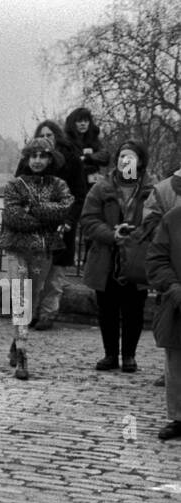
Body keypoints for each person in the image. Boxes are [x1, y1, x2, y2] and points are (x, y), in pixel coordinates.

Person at [0, 139, 73, 381]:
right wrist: (46, 217)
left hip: (43, 251)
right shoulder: (15, 185)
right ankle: (22, 354)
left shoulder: (59, 184)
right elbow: (12, 217)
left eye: (43, 156)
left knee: (34, 298)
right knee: (21, 297)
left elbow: (64, 208)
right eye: (33, 156)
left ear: (50, 159)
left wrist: (32, 209)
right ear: (27, 158)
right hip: (17, 249)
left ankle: (17, 340)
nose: (37, 161)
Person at [82, 141, 151, 373]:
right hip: (107, 256)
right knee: (107, 308)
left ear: (140, 161)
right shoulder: (102, 188)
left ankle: (129, 355)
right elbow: (89, 220)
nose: (125, 161)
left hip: (137, 256)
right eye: (122, 156)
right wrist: (112, 234)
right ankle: (110, 354)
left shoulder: (150, 189)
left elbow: (157, 220)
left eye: (130, 157)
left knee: (134, 309)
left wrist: (135, 234)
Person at [15, 120, 85, 330]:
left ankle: (47, 312)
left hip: (61, 226)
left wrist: (68, 221)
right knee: (34, 272)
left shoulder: (71, 162)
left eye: (49, 135)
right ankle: (33, 311)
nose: (46, 138)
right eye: (42, 135)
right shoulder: (28, 163)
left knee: (54, 275)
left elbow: (78, 195)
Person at [146, 204, 181, 441]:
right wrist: (173, 288)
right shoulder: (173, 219)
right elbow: (157, 259)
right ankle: (179, 417)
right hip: (178, 303)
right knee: (177, 364)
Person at [65, 107, 109, 183]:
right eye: (79, 121)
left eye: (86, 121)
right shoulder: (66, 141)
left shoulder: (93, 139)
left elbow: (105, 156)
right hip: (75, 183)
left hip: (93, 182)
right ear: (73, 123)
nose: (83, 123)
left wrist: (88, 158)